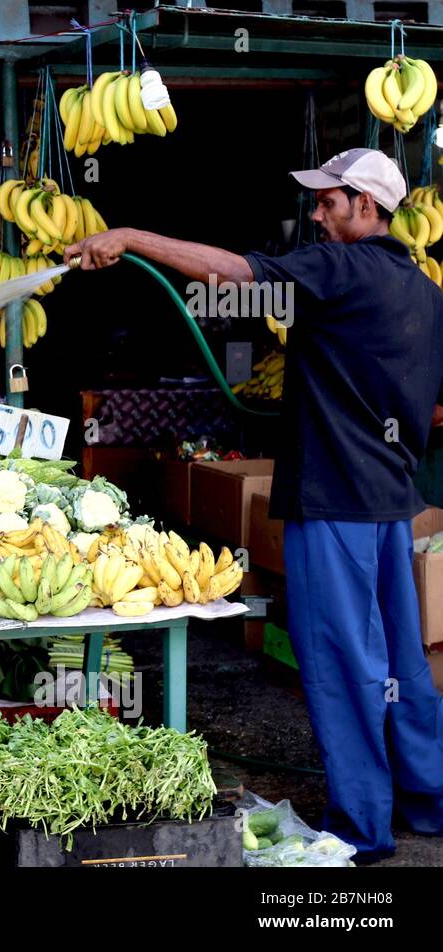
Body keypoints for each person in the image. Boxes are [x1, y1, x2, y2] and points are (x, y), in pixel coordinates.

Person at [65, 147, 443, 861]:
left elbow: (240, 276)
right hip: (392, 503)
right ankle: (427, 801)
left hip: (334, 501)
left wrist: (132, 237)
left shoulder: (340, 268)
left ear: (367, 206)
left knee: (342, 660)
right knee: (400, 660)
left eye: (329, 201)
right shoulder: (423, 290)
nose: (317, 214)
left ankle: (362, 826)